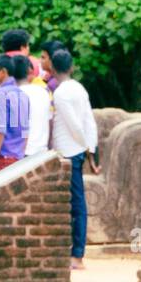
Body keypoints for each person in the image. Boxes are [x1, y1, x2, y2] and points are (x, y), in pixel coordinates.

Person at [49, 49, 99, 270]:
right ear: (71, 67)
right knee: (73, 203)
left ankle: (77, 255)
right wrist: (91, 149)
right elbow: (89, 122)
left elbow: (75, 125)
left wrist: (86, 147)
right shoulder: (79, 88)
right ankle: (73, 252)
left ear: (52, 67)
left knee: (76, 204)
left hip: (68, 151)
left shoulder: (61, 93)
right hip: (77, 150)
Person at [0, 54, 30, 176]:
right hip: (18, 158)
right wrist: (21, 152)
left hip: (3, 159)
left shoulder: (1, 94)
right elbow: (26, 130)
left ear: (3, 72)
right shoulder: (23, 95)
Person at [21, 56, 52, 158]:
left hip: (22, 152)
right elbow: (50, 120)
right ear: (30, 71)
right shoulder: (44, 91)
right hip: (41, 150)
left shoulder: (13, 94)